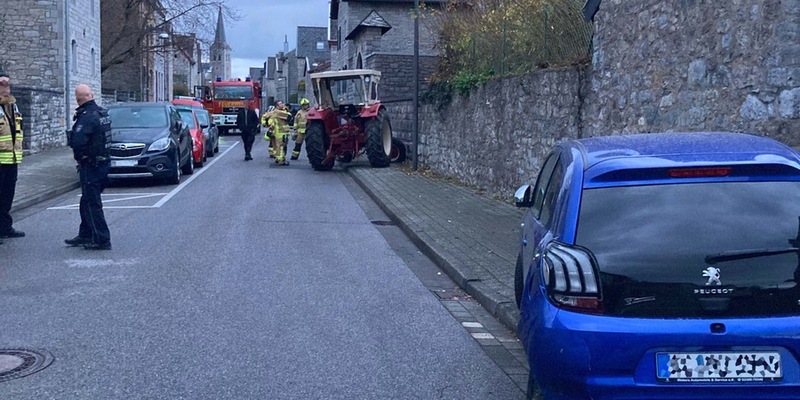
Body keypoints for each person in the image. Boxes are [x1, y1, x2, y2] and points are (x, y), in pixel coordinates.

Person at [65, 84, 112, 250]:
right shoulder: (101, 113)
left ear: (79, 99)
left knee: (92, 203)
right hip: (104, 163)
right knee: (86, 201)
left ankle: (101, 239)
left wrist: (80, 157)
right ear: (91, 95)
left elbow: (77, 141)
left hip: (91, 165)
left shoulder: (87, 116)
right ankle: (85, 233)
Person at [0, 71, 25, 243]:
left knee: (7, 195)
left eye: (7, 85)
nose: (5, 89)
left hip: (12, 159)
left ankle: (5, 227)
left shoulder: (12, 106)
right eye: (1, 85)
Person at [269, 101, 292, 166]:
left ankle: (278, 158)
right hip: (281, 132)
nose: (283, 104)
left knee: (278, 146)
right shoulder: (279, 112)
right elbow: (289, 117)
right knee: (281, 146)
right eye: (280, 104)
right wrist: (286, 110)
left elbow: (266, 117)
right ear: (277, 106)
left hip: (279, 132)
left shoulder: (274, 112)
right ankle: (281, 160)